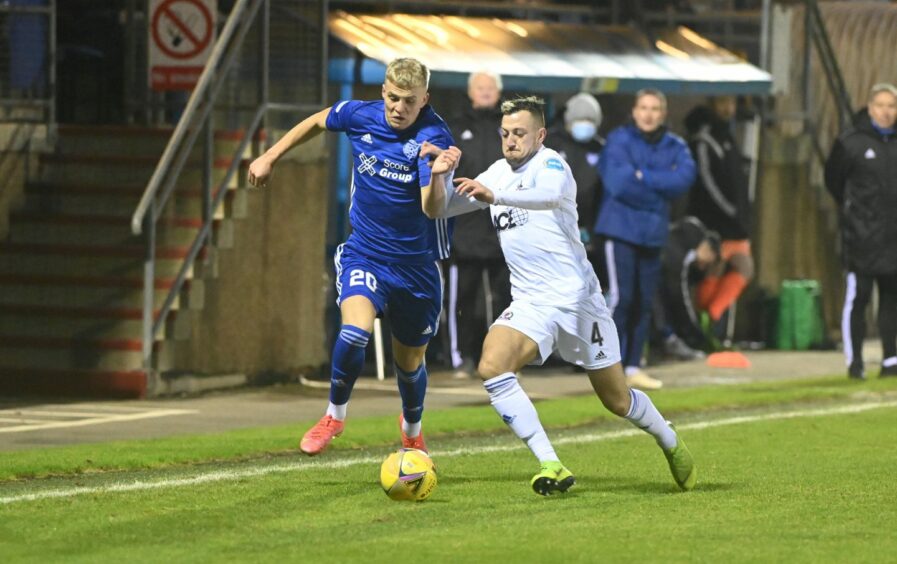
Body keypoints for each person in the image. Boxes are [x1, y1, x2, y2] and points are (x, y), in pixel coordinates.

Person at [423, 96, 696, 496]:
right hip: (532, 302)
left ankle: (668, 439)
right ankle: (550, 463)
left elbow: (548, 196)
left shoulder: (552, 164)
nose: (511, 141)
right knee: (492, 364)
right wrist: (438, 175)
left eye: (519, 133)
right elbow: (436, 211)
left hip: (577, 300)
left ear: (540, 134)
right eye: (505, 134)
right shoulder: (496, 173)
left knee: (617, 401)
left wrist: (495, 197)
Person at [247, 58, 456, 455]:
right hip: (367, 253)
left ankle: (412, 427)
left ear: (424, 99)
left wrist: (439, 171)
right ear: (383, 91)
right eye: (393, 97)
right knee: (354, 332)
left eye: (409, 101)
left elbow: (432, 209)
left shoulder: (434, 137)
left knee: (409, 365)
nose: (398, 108)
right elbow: (315, 122)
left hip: (416, 267)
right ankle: (334, 416)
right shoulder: (360, 116)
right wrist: (270, 155)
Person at [595, 89, 696, 390]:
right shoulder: (618, 140)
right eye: (643, 108)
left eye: (655, 109)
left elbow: (683, 180)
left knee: (644, 302)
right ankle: (605, 365)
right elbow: (619, 183)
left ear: (663, 113)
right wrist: (656, 188)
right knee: (620, 298)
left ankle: (633, 365)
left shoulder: (675, 145)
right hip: (620, 230)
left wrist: (643, 177)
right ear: (634, 111)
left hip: (652, 233)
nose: (649, 114)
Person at [824, 82, 897, 380]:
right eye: (881, 105)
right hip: (861, 236)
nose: (887, 112)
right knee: (859, 297)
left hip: (893, 237)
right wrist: (856, 214)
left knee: (891, 299)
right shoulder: (851, 142)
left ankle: (890, 359)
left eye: (892, 106)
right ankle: (855, 362)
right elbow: (834, 181)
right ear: (869, 107)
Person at [445, 71, 511, 379]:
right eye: (480, 88)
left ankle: (499, 360)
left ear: (498, 93)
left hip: (503, 230)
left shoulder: (510, 128)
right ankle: (462, 359)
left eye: (490, 88)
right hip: (466, 230)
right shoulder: (456, 129)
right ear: (471, 93)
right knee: (463, 301)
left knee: (504, 299)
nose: (485, 93)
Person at [685, 96, 754, 337]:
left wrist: (742, 214)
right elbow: (707, 182)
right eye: (723, 102)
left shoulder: (728, 136)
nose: (728, 108)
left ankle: (712, 315)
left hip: (736, 224)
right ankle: (704, 320)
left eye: (732, 103)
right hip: (714, 223)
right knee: (713, 268)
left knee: (744, 266)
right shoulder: (704, 140)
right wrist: (729, 211)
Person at [545, 92, 607, 289]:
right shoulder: (551, 144)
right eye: (580, 119)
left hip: (588, 231)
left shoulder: (601, 149)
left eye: (589, 120)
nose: (584, 124)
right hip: (553, 228)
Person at [654, 217, 721, 359]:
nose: (703, 267)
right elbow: (679, 296)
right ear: (710, 252)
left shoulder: (683, 237)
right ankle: (667, 340)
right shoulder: (679, 254)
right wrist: (697, 333)